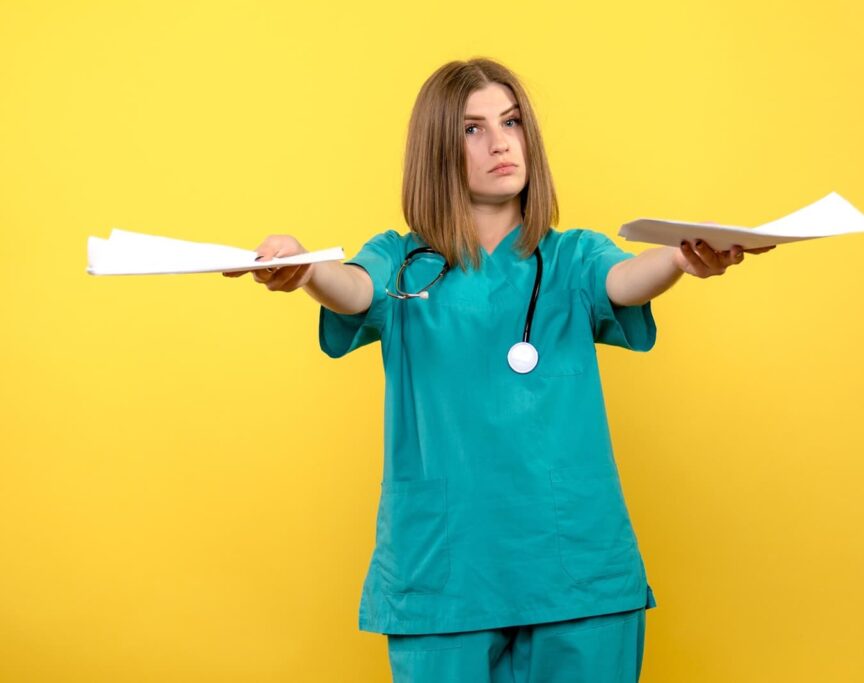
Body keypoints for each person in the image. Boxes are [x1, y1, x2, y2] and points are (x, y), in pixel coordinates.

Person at [225, 58, 773, 683]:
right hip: (445, 579)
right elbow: (350, 288)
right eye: (472, 129)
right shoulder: (401, 263)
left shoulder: (570, 258)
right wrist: (303, 266)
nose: (500, 141)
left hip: (578, 579)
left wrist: (679, 258)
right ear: (436, 149)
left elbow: (625, 278)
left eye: (511, 121)